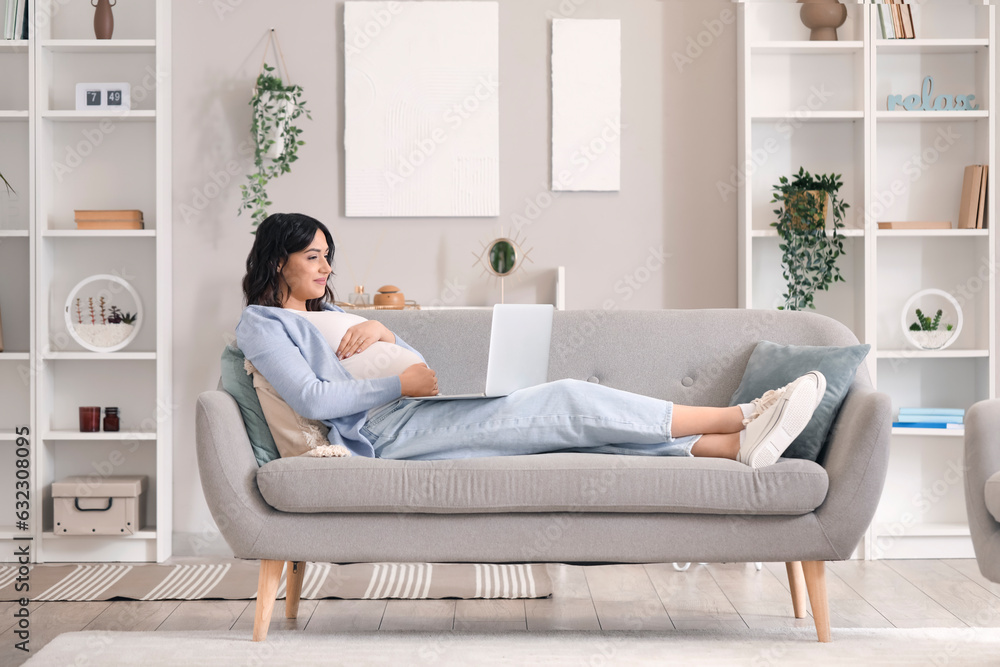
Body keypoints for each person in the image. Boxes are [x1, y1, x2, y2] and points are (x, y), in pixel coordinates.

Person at [236, 213, 826, 468]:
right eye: (312, 257)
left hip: (413, 411)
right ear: (277, 262)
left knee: (574, 435)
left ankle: (732, 450)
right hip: (386, 432)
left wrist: (386, 331)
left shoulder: (331, 313)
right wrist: (400, 381)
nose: (324, 267)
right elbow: (312, 400)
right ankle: (741, 415)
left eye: (327, 257)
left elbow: (386, 361)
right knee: (568, 400)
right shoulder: (262, 325)